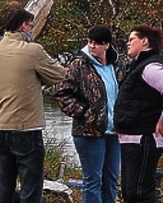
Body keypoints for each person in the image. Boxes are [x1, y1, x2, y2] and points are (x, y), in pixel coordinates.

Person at [0, 8, 66, 203]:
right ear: (23, 25)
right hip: (26, 128)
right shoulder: (32, 50)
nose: (32, 29)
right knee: (31, 188)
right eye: (31, 25)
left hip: (0, 126)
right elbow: (59, 75)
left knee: (4, 188)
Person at [54, 25, 125, 203]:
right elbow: (61, 93)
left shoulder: (117, 65)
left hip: (114, 132)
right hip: (88, 133)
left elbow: (124, 92)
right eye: (90, 42)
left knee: (111, 180)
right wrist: (85, 113)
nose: (92, 46)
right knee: (93, 180)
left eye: (97, 43)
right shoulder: (79, 65)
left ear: (107, 45)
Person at [113, 25, 163, 203]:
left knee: (140, 193)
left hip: (144, 139)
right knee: (129, 193)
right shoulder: (137, 66)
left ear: (144, 41)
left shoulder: (150, 67)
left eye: (131, 39)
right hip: (131, 138)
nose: (127, 43)